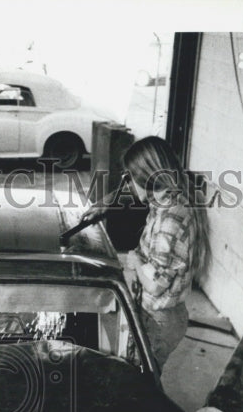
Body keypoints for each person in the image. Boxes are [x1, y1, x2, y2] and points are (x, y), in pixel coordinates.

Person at [83, 136, 210, 371]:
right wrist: (105, 202)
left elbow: (155, 284)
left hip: (159, 319)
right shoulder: (167, 199)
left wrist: (137, 261)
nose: (128, 183)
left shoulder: (171, 217)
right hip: (159, 313)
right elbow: (132, 193)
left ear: (147, 175)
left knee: (139, 383)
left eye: (131, 177)